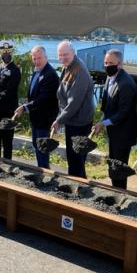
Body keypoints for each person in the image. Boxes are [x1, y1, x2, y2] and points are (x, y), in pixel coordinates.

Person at [92, 49, 137, 189]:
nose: (107, 66)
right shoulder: (109, 78)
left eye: (111, 63)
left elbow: (124, 111)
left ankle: (120, 194)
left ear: (119, 64)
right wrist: (100, 120)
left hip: (124, 134)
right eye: (105, 62)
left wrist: (104, 123)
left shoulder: (126, 84)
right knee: (113, 165)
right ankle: (115, 191)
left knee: (119, 169)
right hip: (113, 132)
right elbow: (106, 106)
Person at [51, 41, 94, 178]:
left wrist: (59, 120)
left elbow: (74, 102)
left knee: (76, 160)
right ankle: (78, 185)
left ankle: (78, 188)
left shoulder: (79, 70)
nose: (63, 57)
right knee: (75, 160)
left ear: (73, 53)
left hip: (79, 122)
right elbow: (63, 94)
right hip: (72, 120)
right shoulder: (68, 66)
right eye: (60, 55)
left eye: (66, 54)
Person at [14, 45, 59, 168]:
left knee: (42, 149)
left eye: (39, 58)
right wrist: (25, 104)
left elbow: (43, 99)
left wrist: (25, 107)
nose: (36, 61)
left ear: (46, 57)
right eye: (34, 58)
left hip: (45, 119)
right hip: (36, 118)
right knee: (37, 147)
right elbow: (33, 95)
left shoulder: (50, 74)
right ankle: (41, 172)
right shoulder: (37, 71)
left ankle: (45, 175)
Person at [0, 40, 21, 159]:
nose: (6, 56)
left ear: (12, 54)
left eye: (8, 54)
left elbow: (9, 92)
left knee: (7, 141)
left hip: (7, 111)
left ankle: (8, 165)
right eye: (3, 54)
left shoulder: (15, 70)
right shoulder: (0, 66)